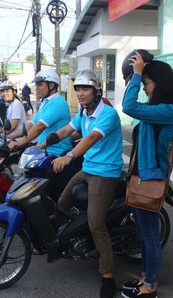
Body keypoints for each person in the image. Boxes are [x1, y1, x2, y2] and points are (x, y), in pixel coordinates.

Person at [49, 69, 123, 298]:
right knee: (61, 201)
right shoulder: (83, 112)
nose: (80, 93)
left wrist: (68, 156)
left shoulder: (108, 114)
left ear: (96, 90)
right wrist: (37, 143)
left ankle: (108, 276)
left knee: (95, 222)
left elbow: (90, 139)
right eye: (77, 89)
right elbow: (67, 131)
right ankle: (70, 240)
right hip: (88, 168)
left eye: (85, 89)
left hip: (105, 172)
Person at [120, 50, 173, 298]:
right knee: (143, 234)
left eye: (147, 84)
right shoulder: (154, 109)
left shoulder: (167, 111)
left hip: (150, 179)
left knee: (149, 236)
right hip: (139, 177)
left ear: (159, 83)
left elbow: (128, 106)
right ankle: (145, 279)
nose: (145, 88)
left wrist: (137, 74)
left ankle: (150, 287)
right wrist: (138, 74)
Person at [8, 69, 72, 158]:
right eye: (36, 85)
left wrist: (19, 143)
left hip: (56, 153)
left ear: (51, 85)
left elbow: (40, 127)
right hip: (43, 150)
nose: (36, 87)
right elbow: (32, 125)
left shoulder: (58, 103)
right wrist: (10, 136)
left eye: (40, 84)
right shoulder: (46, 102)